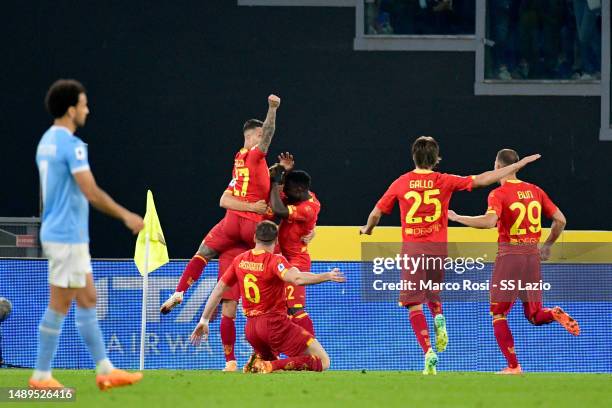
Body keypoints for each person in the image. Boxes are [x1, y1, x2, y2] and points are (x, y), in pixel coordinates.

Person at [360, 136, 540, 375]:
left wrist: (367, 229)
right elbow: (482, 180)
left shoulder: (401, 182)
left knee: (414, 305)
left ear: (413, 157)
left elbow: (376, 213)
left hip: (413, 250)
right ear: (437, 160)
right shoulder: (444, 180)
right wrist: (516, 166)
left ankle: (428, 352)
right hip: (438, 250)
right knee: (433, 291)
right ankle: (439, 316)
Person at [32, 79, 144, 390]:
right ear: (71, 110)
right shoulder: (71, 145)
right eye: (83, 104)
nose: (87, 110)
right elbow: (90, 191)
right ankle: (41, 375)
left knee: (88, 298)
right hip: (66, 236)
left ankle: (105, 368)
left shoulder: (46, 141)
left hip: (65, 234)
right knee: (60, 303)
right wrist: (126, 216)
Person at [160, 94, 280, 372]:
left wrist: (248, 202)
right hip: (250, 226)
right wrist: (272, 109)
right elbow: (270, 133)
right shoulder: (255, 154)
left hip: (230, 227)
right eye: (262, 134)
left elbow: (224, 201)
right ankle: (267, 333)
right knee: (268, 269)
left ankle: (228, 360)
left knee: (205, 254)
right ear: (257, 134)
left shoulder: (237, 159)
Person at [448, 148, 580, 374]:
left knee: (498, 314)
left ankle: (513, 367)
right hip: (532, 258)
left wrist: (458, 217)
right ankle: (553, 313)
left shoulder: (498, 194)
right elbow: (560, 219)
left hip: (510, 258)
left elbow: (490, 222)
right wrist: (547, 245)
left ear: (497, 167)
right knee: (535, 315)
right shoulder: (535, 190)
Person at [190, 221, 345, 373]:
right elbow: (297, 279)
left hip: (251, 330)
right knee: (323, 361)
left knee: (273, 365)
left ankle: (257, 363)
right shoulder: (275, 261)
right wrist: (327, 275)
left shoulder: (240, 260)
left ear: (254, 238)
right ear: (276, 240)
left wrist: (204, 320)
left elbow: (218, 290)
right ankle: (270, 365)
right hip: (275, 326)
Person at [268, 164, 321, 336]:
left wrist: (274, 182)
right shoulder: (302, 194)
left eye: (287, 189)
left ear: (299, 189)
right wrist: (285, 172)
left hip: (296, 262)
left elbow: (279, 210)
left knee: (295, 308)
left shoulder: (308, 208)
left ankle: (313, 353)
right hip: (281, 259)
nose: (284, 192)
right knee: (279, 309)